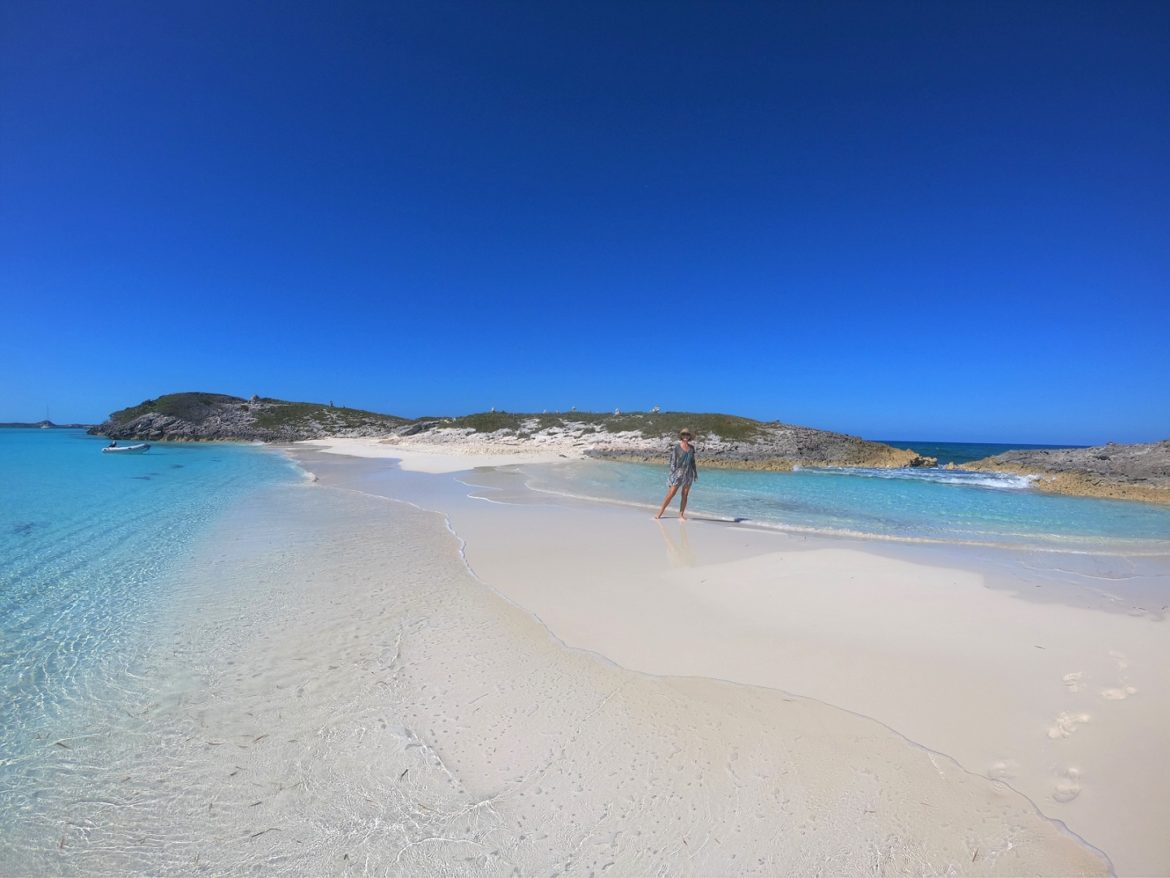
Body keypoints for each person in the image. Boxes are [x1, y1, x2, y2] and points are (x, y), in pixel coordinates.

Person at [655, 429, 698, 520]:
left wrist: (695, 473)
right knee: (671, 494)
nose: (686, 436)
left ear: (689, 436)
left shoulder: (692, 448)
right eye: (684, 434)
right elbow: (672, 462)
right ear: (681, 436)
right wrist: (672, 475)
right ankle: (660, 513)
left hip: (689, 473)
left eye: (687, 434)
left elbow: (693, 461)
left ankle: (681, 515)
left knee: (685, 495)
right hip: (678, 473)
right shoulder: (677, 448)